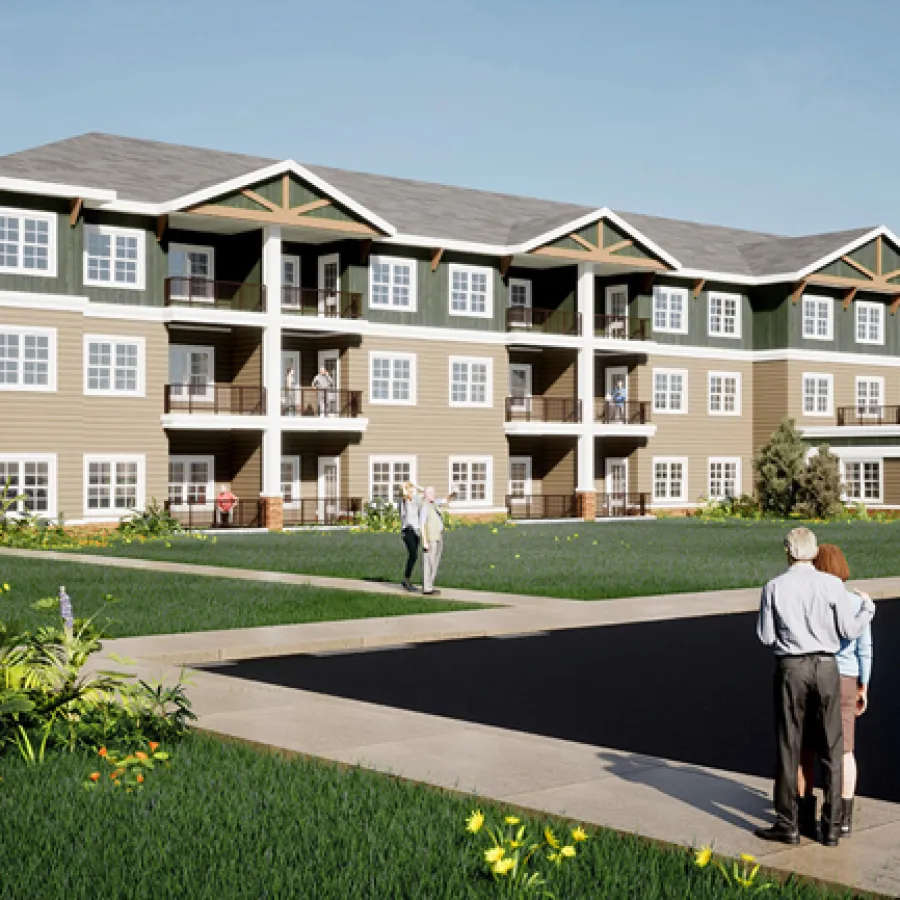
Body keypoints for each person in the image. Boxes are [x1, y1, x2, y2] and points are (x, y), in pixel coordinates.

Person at [754, 527, 876, 847]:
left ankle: (788, 823)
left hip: (791, 667)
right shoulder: (832, 585)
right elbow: (850, 629)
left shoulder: (774, 587)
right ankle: (832, 827)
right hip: (826, 667)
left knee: (790, 745)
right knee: (833, 747)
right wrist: (868, 610)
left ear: (788, 551)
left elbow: (766, 637)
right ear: (814, 550)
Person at [797, 544, 873, 839]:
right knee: (845, 751)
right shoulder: (856, 603)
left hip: (815, 673)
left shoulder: (811, 600)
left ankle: (804, 815)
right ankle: (841, 818)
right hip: (846, 678)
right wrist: (863, 685)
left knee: (806, 749)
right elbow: (865, 649)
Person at [420, 486, 445, 595]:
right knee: (429, 563)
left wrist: (454, 493)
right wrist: (425, 541)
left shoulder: (434, 504)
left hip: (438, 536)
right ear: (425, 495)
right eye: (431, 493)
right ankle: (427, 588)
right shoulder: (424, 506)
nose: (433, 494)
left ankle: (430, 585)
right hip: (430, 538)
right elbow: (422, 524)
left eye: (434, 492)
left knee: (435, 562)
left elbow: (445, 500)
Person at [399, 482, 422, 592]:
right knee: (413, 554)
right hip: (408, 530)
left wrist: (416, 486)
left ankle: (406, 579)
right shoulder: (404, 501)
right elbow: (404, 495)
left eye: (412, 490)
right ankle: (406, 580)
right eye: (410, 490)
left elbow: (423, 492)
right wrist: (404, 486)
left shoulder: (416, 500)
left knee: (414, 556)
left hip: (416, 531)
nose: (412, 492)